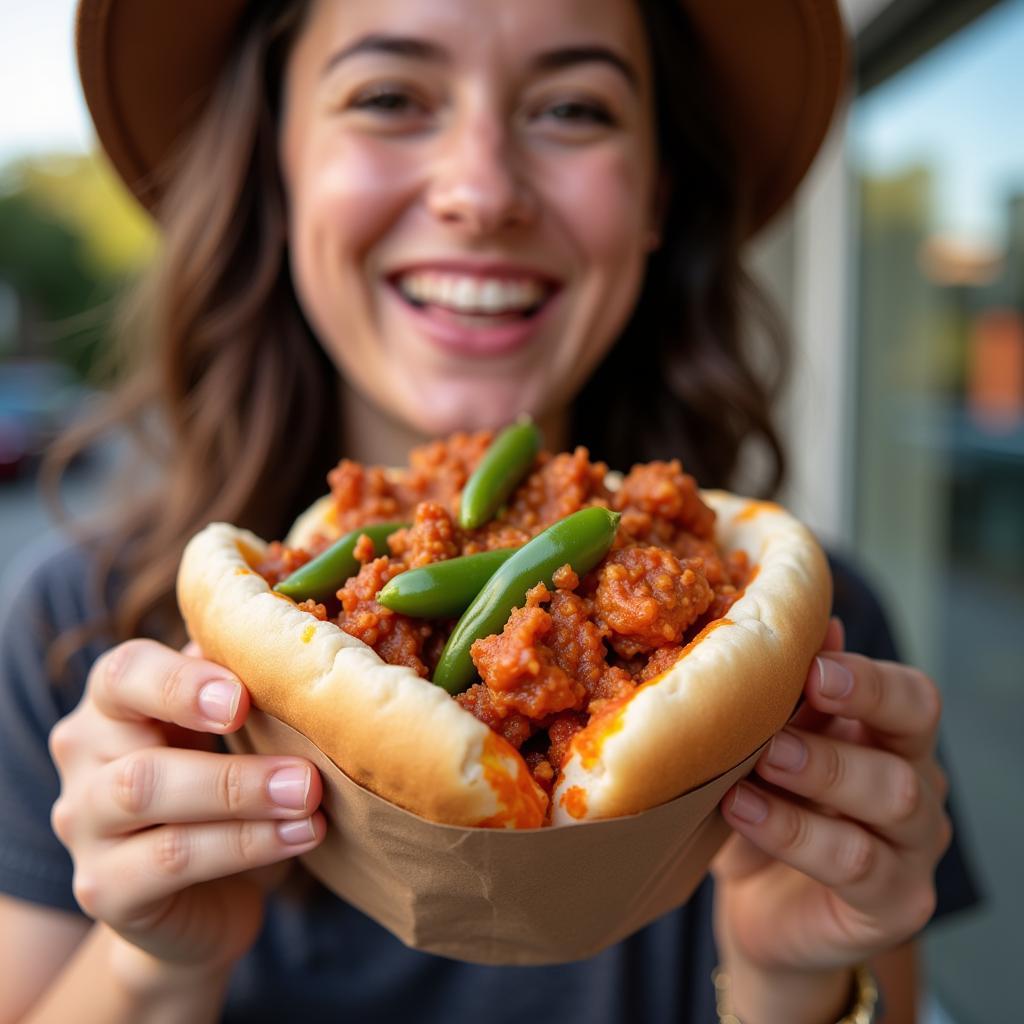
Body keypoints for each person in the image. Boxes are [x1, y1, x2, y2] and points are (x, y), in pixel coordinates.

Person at [0, 1, 980, 1021]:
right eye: (387, 97)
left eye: (571, 108)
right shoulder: (75, 632)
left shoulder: (808, 647)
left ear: (656, 193)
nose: (480, 191)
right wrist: (151, 970)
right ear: (277, 172)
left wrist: (797, 977)